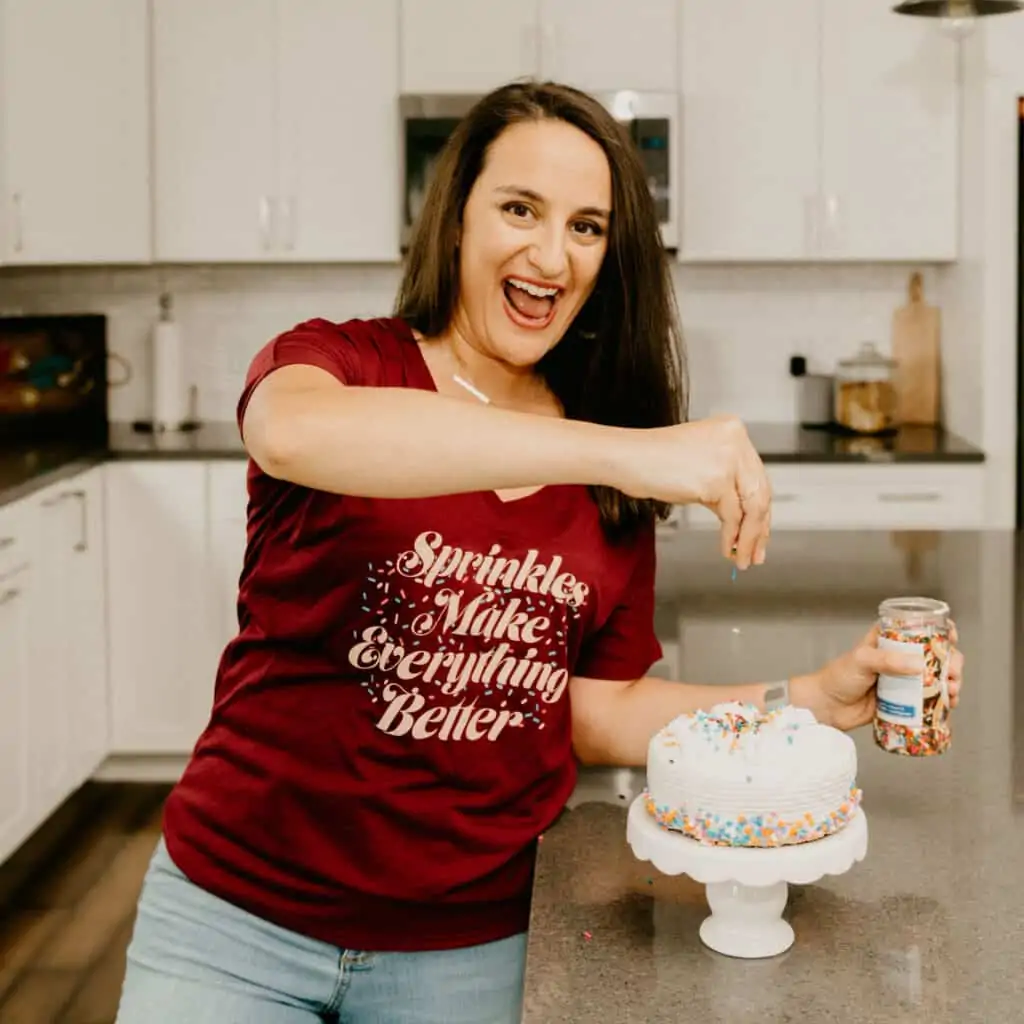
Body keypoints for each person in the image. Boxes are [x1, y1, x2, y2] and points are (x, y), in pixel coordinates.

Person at [115, 80, 964, 1024]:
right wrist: (630, 450)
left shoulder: (612, 475)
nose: (550, 253)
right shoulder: (344, 363)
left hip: (471, 943)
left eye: (588, 226)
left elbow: (598, 716)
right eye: (519, 209)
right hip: (235, 918)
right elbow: (292, 436)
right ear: (454, 222)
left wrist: (809, 700)